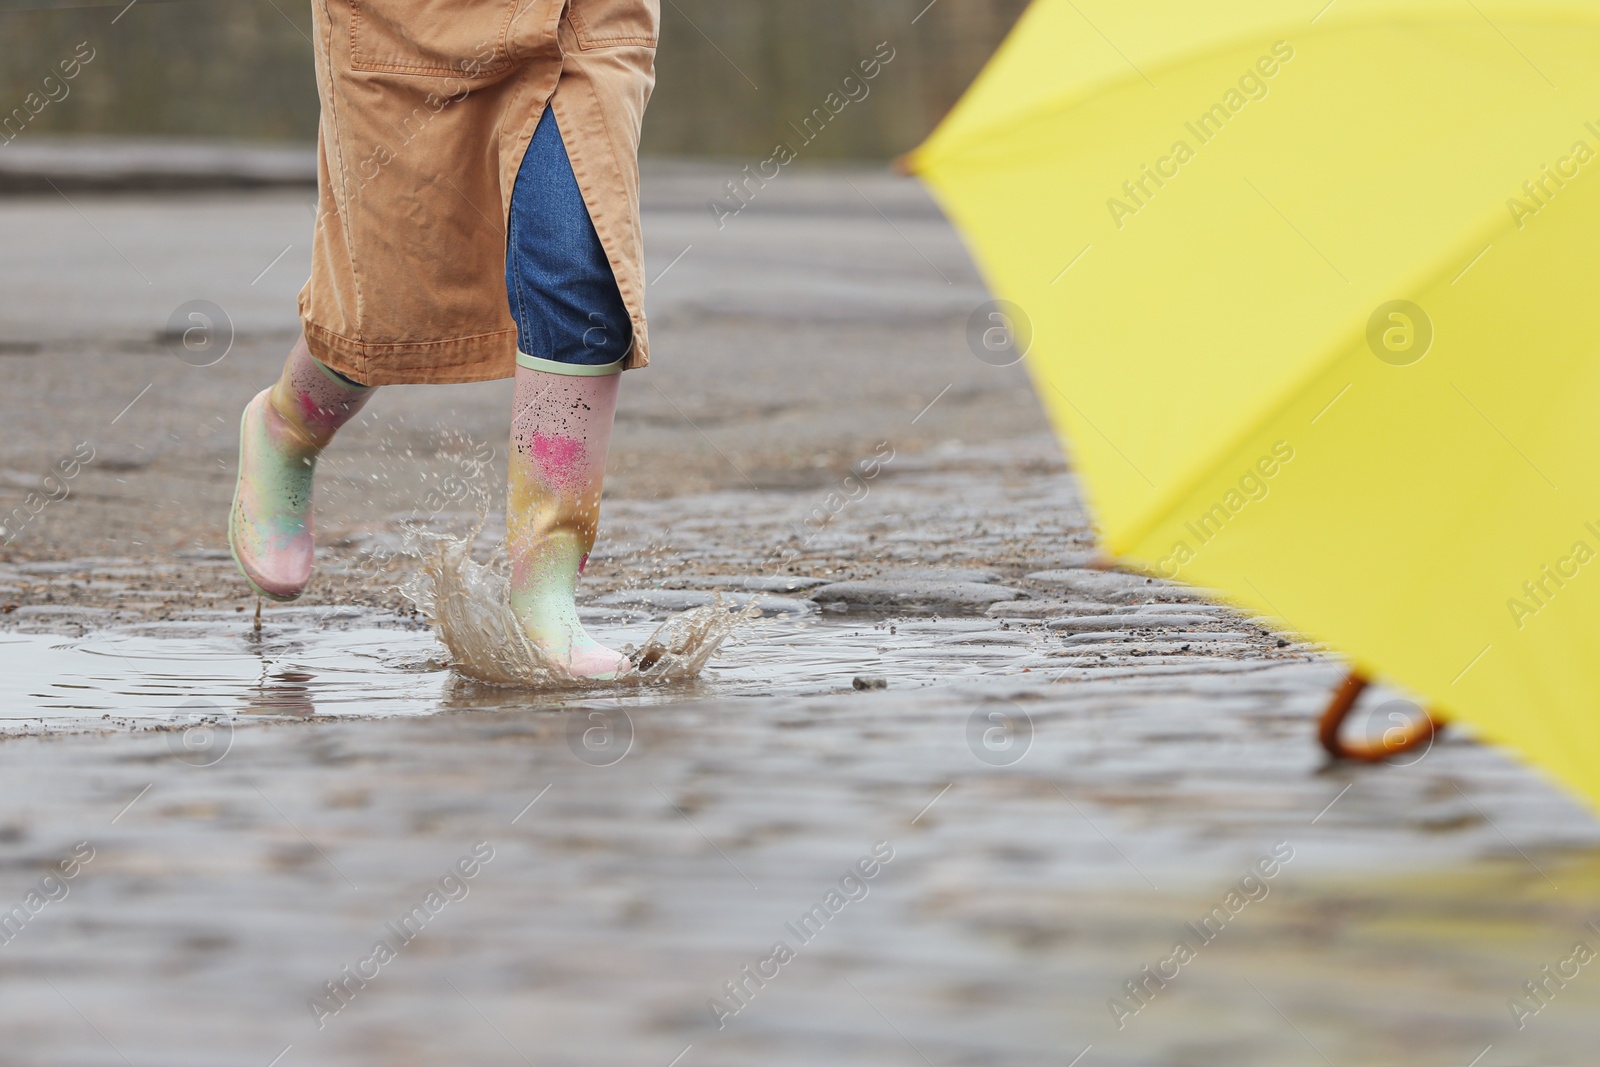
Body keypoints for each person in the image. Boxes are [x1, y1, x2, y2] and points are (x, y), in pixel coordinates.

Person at [227, 0, 659, 680]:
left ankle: (542, 594)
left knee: (582, 265)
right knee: (391, 299)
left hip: (581, 15)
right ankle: (289, 423)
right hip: (414, 20)